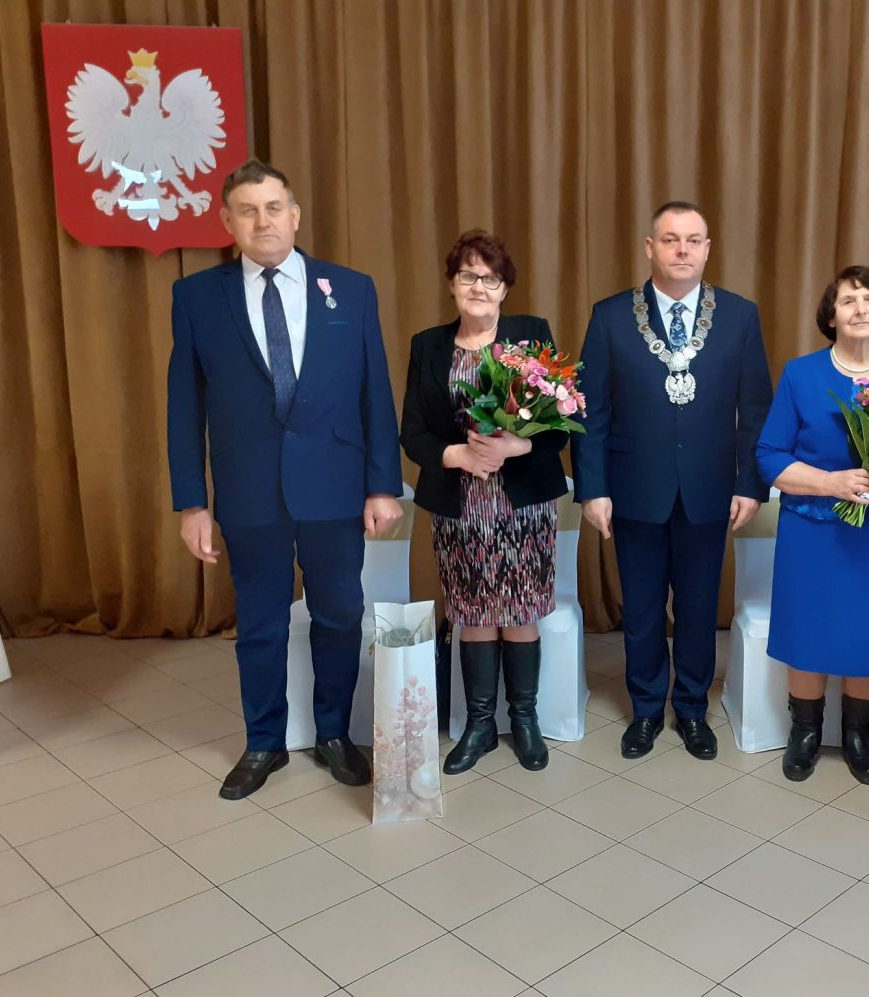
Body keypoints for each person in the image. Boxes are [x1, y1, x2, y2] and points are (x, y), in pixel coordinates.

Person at [167, 159, 403, 800]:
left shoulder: (349, 290)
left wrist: (383, 484)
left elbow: (375, 392)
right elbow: (183, 406)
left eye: (274, 208)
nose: (263, 221)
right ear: (227, 221)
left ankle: (333, 733)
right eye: (247, 210)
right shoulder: (197, 297)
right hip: (249, 491)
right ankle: (264, 741)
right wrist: (192, 502)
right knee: (261, 623)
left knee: (340, 615)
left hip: (335, 485)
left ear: (294, 216)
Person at [572, 201, 773, 761]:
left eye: (692, 240)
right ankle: (644, 710)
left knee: (698, 608)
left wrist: (750, 484)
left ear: (707, 249)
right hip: (633, 488)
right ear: (650, 247)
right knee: (640, 609)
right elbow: (590, 410)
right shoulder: (611, 316)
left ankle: (690, 709)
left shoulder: (739, 316)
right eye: (670, 239)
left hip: (710, 490)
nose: (682, 250)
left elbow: (756, 410)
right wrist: (593, 488)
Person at [757, 266, 869, 785]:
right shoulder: (801, 375)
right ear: (830, 316)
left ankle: (858, 733)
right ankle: (805, 731)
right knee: (807, 625)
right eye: (848, 300)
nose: (861, 308)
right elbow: (770, 456)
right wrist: (830, 482)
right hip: (814, 529)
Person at [401, 230, 568, 774]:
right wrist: (457, 455)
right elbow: (413, 432)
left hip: (523, 503)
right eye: (468, 275)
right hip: (460, 503)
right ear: (452, 284)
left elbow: (562, 422)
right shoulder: (427, 345)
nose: (479, 286)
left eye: (490, 278)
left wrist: (518, 445)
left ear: (505, 288)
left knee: (521, 610)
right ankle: (479, 726)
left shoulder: (530, 336)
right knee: (472, 611)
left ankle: (524, 719)